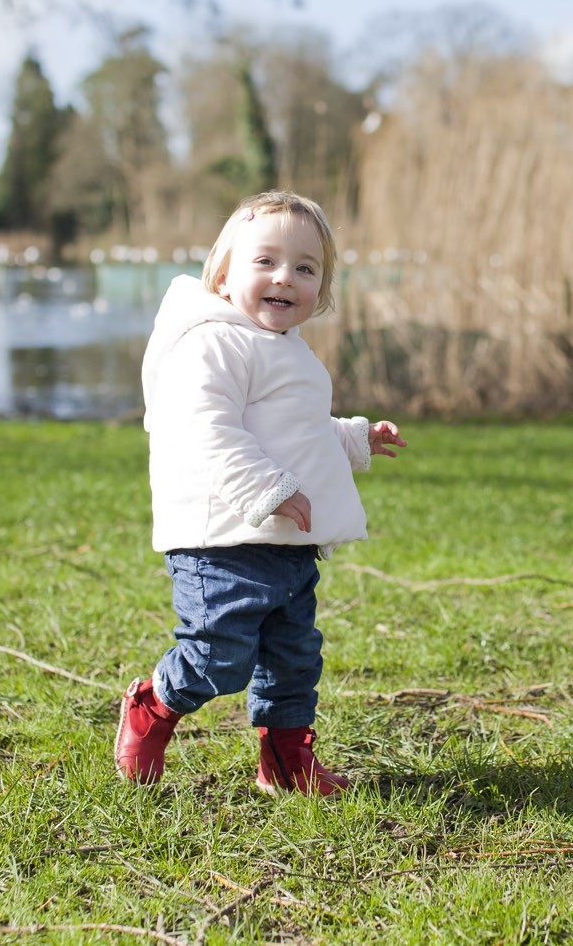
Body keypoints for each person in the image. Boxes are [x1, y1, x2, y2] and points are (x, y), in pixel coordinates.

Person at [116, 191, 406, 796]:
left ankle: (285, 760)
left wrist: (352, 439)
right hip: (222, 537)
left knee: (294, 658)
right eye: (266, 261)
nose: (285, 278)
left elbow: (292, 429)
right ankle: (151, 706)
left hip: (286, 543)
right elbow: (205, 428)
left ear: (321, 287)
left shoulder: (287, 351)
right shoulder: (211, 343)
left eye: (305, 268)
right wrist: (269, 488)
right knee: (220, 654)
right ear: (223, 274)